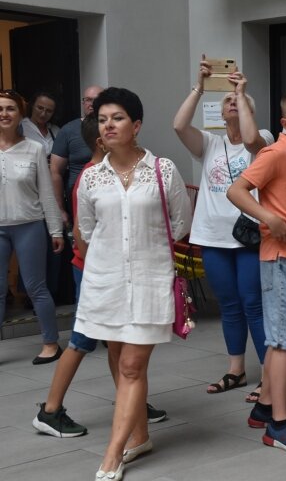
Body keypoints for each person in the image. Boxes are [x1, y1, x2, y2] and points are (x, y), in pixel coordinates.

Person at [75, 87, 191, 481]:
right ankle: (139, 437)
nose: (108, 124)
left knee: (130, 365)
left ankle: (113, 452)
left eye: (118, 117)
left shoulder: (162, 169)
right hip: (104, 282)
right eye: (103, 118)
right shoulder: (91, 177)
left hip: (149, 279)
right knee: (117, 358)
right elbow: (87, 232)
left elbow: (180, 223)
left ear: (136, 125)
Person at [32, 114, 167, 438]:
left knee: (116, 344)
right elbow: (84, 236)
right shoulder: (91, 178)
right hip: (93, 271)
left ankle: (130, 399)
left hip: (105, 271)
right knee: (81, 341)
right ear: (101, 141)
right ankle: (51, 410)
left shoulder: (108, 175)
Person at [227, 89, 286, 453]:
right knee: (282, 342)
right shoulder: (278, 153)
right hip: (280, 258)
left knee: (285, 337)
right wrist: (269, 217)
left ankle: (265, 409)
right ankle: (278, 426)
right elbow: (237, 191)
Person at [173, 56, 272, 400]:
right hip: (212, 237)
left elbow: (248, 138)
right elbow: (178, 125)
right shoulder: (210, 143)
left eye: (237, 101)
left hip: (248, 237)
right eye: (227, 100)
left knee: (253, 304)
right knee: (229, 305)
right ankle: (236, 370)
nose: (230, 102)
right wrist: (200, 88)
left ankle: (269, 377)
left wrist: (242, 94)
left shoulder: (262, 138)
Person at [0, 89, 64, 364]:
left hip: (29, 226)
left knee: (36, 287)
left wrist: (55, 230)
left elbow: (46, 194)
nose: (4, 114)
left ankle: (51, 343)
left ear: (20, 114)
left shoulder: (34, 148)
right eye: (0, 109)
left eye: (10, 109)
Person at [50, 85, 103, 228]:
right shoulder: (68, 130)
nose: (92, 104)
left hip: (110, 195)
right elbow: (55, 172)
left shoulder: (112, 128)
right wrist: (60, 209)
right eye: (88, 100)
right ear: (83, 103)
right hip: (78, 197)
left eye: (97, 100)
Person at [21, 92, 59, 156]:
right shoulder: (20, 127)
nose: (43, 114)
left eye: (49, 111)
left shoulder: (56, 130)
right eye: (40, 108)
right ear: (32, 106)